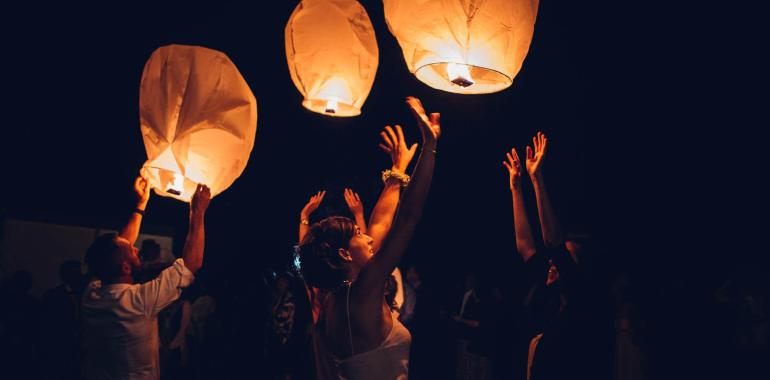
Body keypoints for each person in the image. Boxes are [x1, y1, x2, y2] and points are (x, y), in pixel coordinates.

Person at [298, 96, 440, 379]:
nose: (370, 239)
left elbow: (380, 222)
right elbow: (407, 217)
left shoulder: (338, 298)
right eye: (358, 236)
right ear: (344, 254)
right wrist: (430, 147)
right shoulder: (361, 294)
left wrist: (398, 170)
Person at [81, 175, 211, 380]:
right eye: (132, 250)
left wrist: (140, 205)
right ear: (125, 267)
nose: (135, 247)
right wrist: (198, 212)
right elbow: (191, 264)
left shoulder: (92, 294)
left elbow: (120, 245)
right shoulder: (138, 302)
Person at [503, 132, 584, 380]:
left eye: (562, 262)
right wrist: (516, 188)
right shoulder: (549, 297)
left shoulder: (580, 303)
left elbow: (553, 243)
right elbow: (526, 246)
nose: (552, 264)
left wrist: (537, 179)